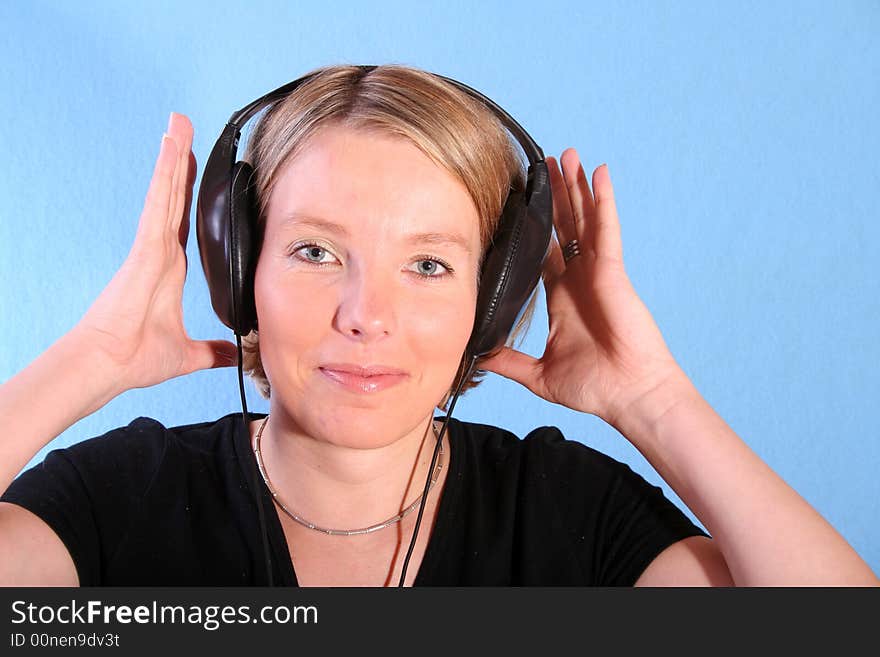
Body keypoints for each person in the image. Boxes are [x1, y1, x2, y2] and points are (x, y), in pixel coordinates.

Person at [0, 64, 877, 587]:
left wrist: (653, 401)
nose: (366, 317)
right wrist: (91, 361)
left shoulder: (565, 513)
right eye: (314, 252)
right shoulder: (123, 498)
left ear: (491, 298)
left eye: (428, 264)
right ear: (241, 268)